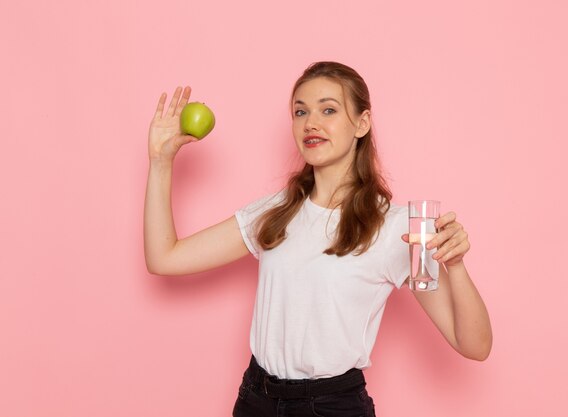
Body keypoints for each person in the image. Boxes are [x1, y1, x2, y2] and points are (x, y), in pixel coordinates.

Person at [144, 61, 492, 417]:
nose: (310, 122)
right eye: (300, 111)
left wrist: (457, 266)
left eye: (328, 109)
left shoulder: (398, 228)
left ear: (362, 123)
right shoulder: (276, 211)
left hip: (332, 407)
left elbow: (474, 345)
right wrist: (160, 163)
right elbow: (164, 258)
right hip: (256, 399)